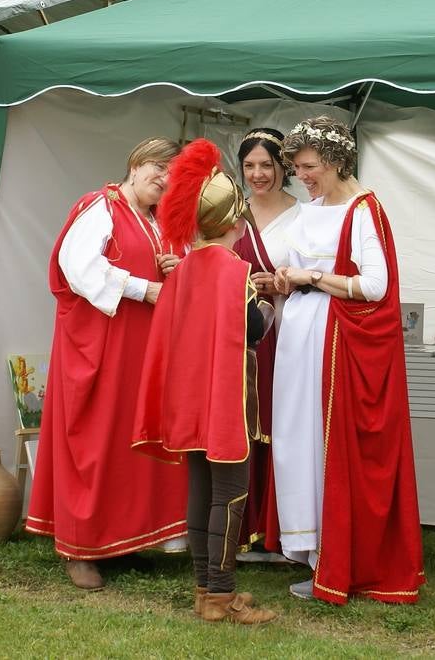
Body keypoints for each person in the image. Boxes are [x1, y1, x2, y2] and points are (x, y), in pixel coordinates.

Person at [271, 116, 424, 604]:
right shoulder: (312, 208)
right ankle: (315, 551)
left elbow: (375, 287)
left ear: (336, 161)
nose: (302, 176)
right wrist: (285, 279)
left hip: (337, 342)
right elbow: (299, 265)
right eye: (296, 168)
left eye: (308, 166)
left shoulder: (363, 210)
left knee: (324, 442)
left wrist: (312, 277)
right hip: (303, 335)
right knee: (299, 440)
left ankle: (337, 559)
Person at [25, 137, 188, 591]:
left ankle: (124, 540)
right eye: (158, 167)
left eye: (172, 174)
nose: (164, 178)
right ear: (135, 165)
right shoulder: (101, 206)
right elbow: (76, 265)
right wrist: (145, 288)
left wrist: (175, 268)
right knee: (92, 443)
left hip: (138, 350)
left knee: (128, 444)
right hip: (98, 348)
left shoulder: (154, 220)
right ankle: (79, 548)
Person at [132, 138, 277, 625]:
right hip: (225, 400)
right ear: (234, 224)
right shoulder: (237, 272)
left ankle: (202, 589)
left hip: (189, 399)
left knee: (199, 489)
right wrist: (268, 306)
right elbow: (254, 327)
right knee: (230, 492)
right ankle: (221, 594)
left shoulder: (184, 270)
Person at [231, 128, 299, 553]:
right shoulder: (231, 212)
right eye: (249, 166)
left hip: (286, 336)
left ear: (283, 168)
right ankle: (238, 527)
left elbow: (318, 275)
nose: (258, 174)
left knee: (280, 426)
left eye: (266, 166)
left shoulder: (305, 216)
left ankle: (276, 527)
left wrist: (279, 283)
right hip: (237, 338)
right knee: (237, 425)